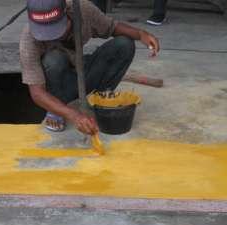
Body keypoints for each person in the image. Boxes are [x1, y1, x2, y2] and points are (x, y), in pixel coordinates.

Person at [20, 0, 160, 135]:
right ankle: (57, 108)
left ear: (66, 12)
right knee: (53, 59)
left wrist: (141, 34)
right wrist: (74, 115)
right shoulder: (28, 39)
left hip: (81, 69)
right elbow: (37, 93)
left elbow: (112, 27)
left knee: (124, 44)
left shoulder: (82, 10)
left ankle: (100, 98)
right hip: (58, 83)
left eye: (55, 29)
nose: (50, 37)